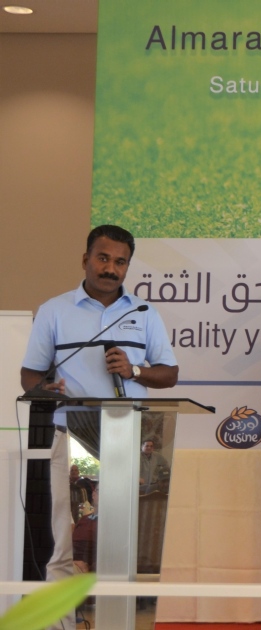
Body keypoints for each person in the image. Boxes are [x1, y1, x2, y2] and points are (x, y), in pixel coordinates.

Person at [20, 224, 179, 630]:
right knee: (67, 544)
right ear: (86, 259)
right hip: (71, 435)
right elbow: (30, 374)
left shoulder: (143, 312)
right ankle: (61, 625)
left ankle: (117, 623)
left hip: (127, 438)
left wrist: (135, 370)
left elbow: (169, 374)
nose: (111, 268)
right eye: (103, 258)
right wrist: (44, 388)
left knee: (121, 545)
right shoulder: (55, 309)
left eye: (120, 262)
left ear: (127, 266)